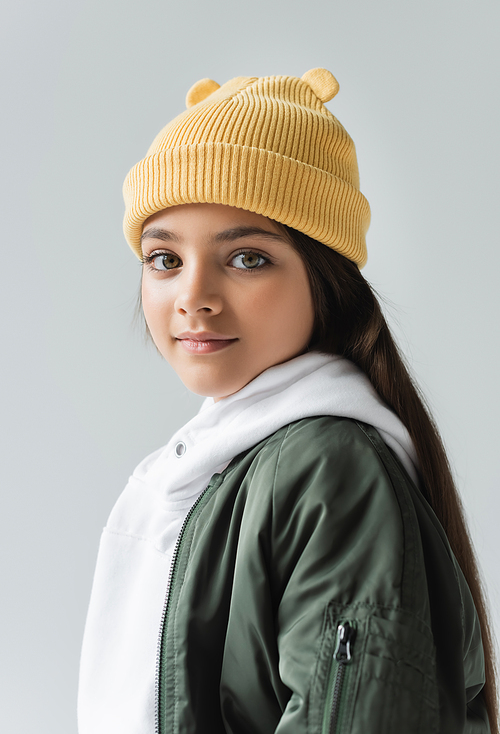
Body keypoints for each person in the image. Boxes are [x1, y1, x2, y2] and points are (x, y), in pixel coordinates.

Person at [78, 68, 497, 733]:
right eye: (164, 259)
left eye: (246, 258)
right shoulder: (210, 473)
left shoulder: (329, 468)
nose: (194, 295)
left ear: (324, 279)